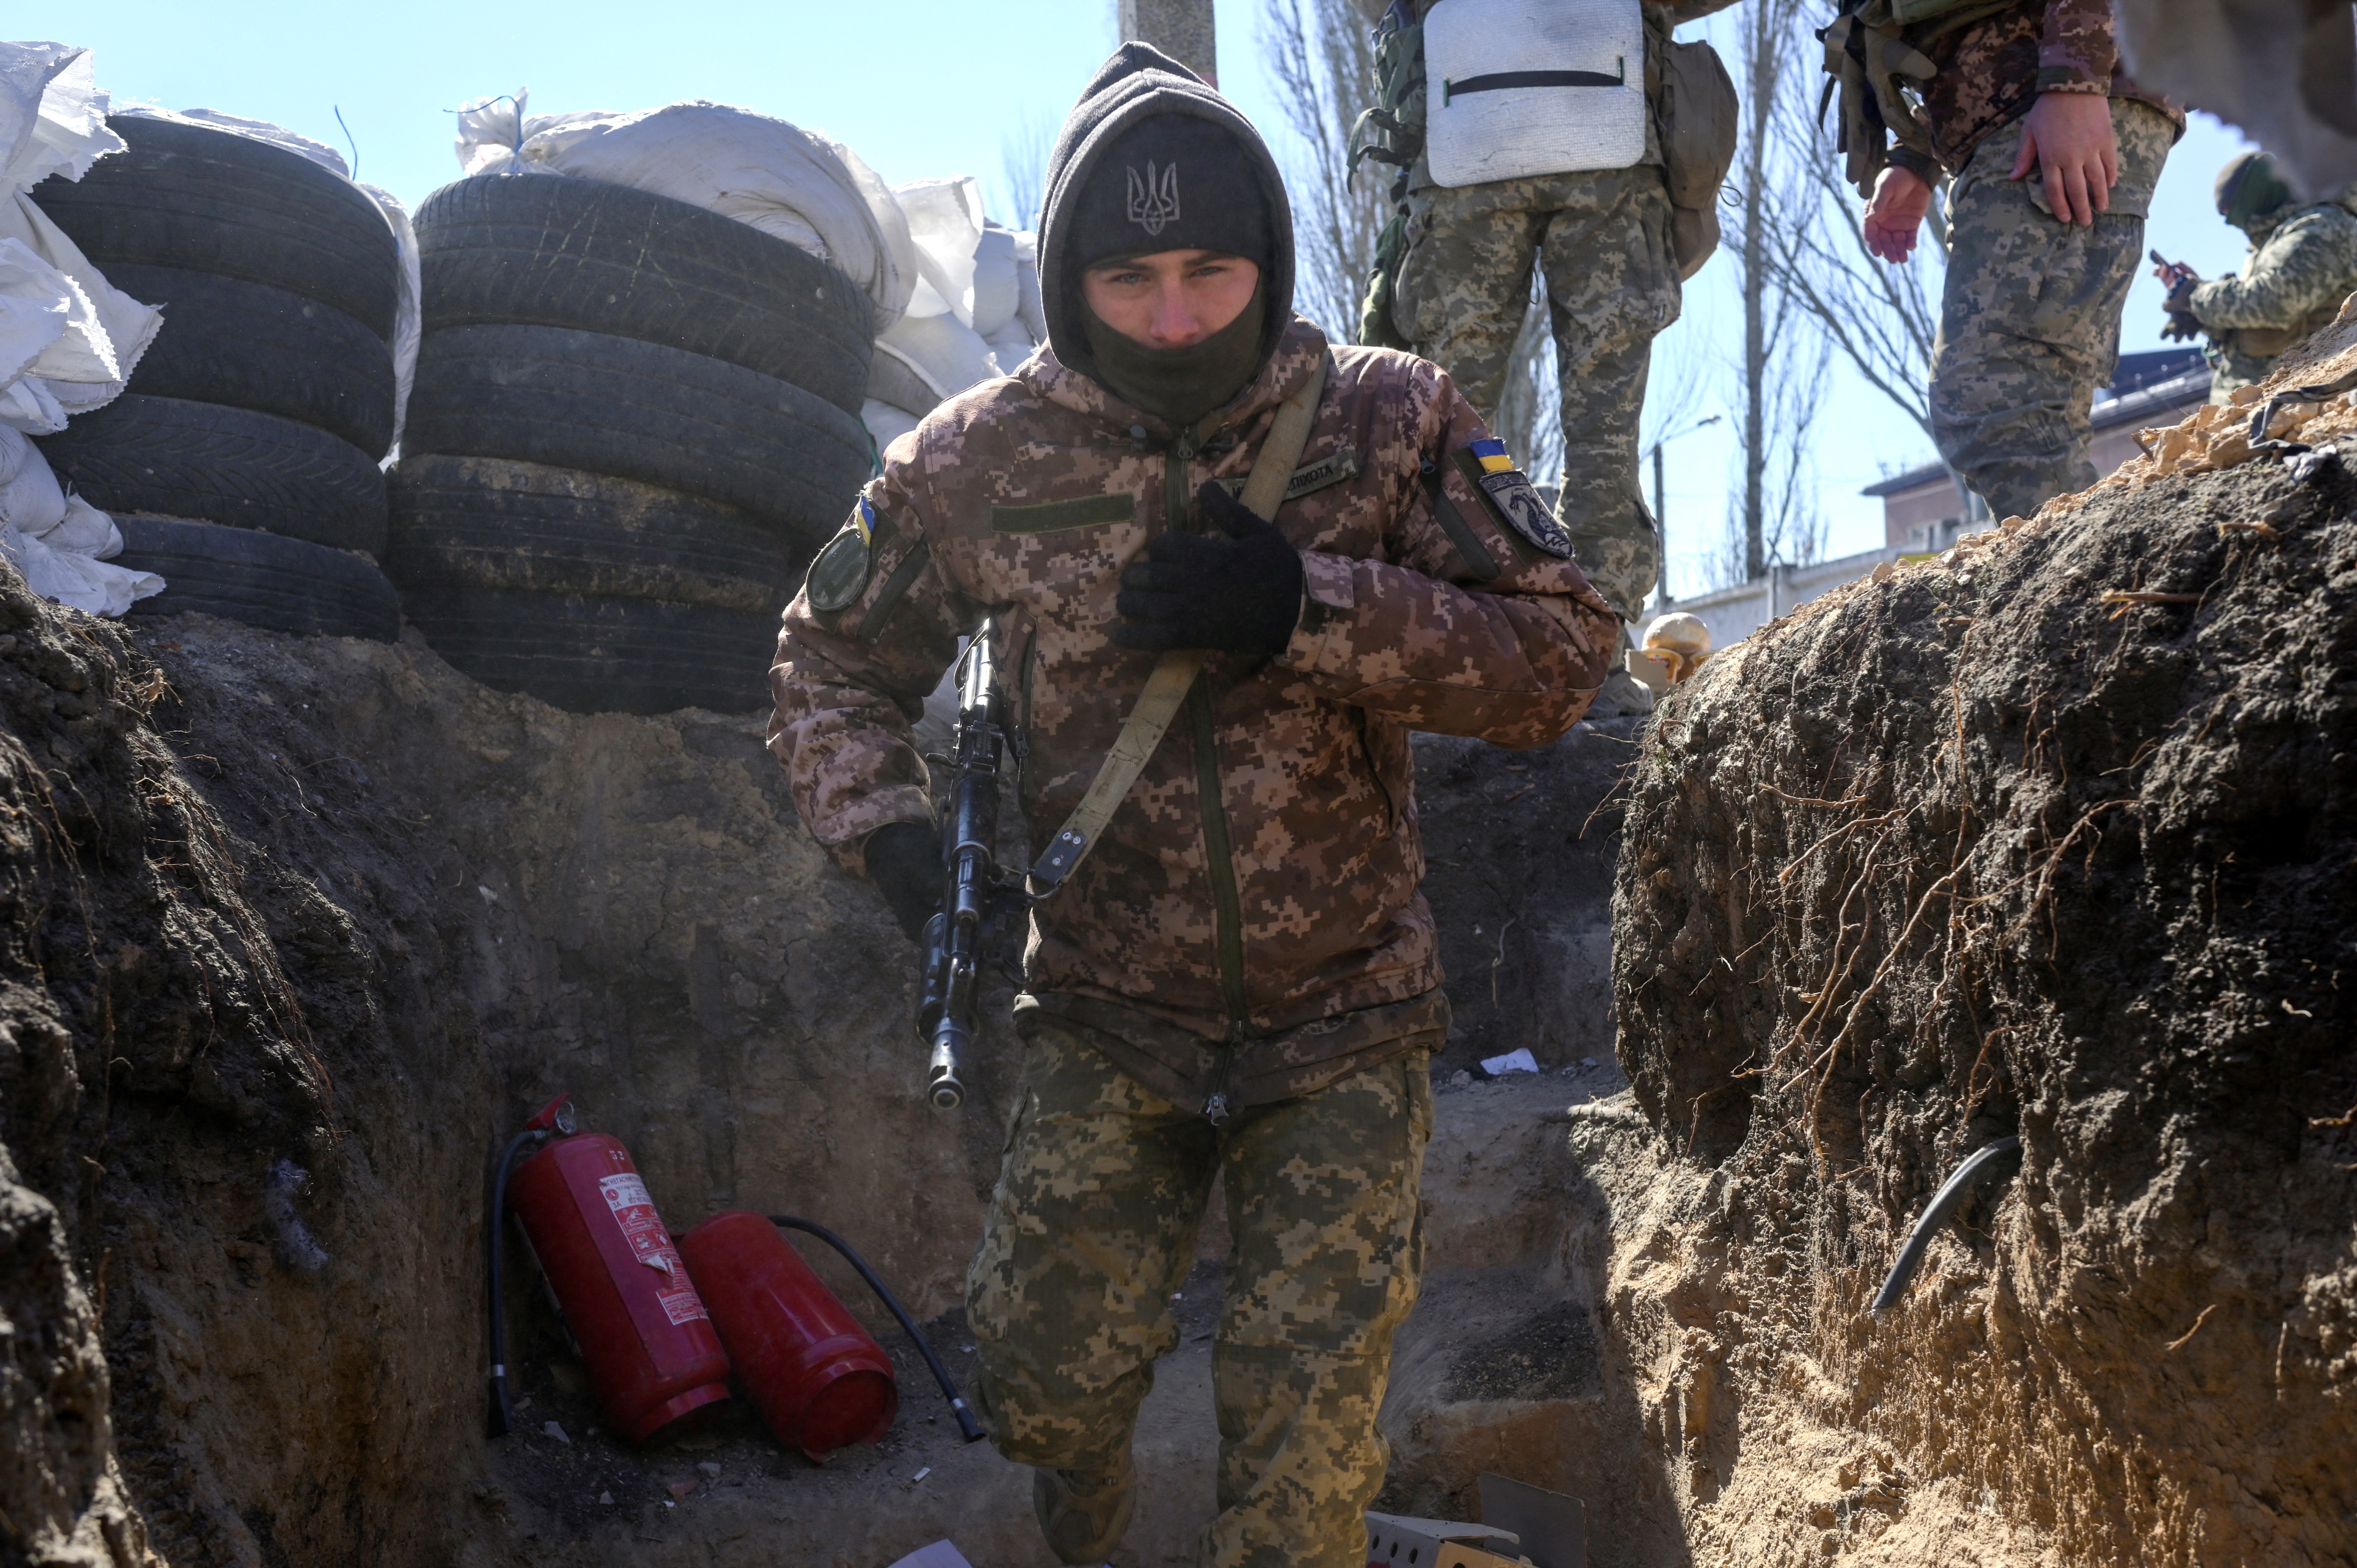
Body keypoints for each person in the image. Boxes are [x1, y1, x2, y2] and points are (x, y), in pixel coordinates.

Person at [767, 43, 1617, 1568]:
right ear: (1076, 276)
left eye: (1212, 272)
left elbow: (1564, 653)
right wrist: (897, 854)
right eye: (1132, 278)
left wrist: (1307, 603)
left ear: (1268, 259)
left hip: (1345, 1018)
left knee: (1293, 1476)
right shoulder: (976, 459)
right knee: (1040, 1390)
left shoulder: (1390, 420)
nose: (1172, 316)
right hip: (1103, 1015)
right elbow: (826, 664)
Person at [1356, 0, 1730, 631]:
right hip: (1602, 134)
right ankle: (1594, 645)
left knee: (1446, 426)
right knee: (1601, 435)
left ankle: (1454, 638)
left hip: (1468, 131)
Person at [1840, 0, 2182, 522]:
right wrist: (1918, 152)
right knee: (2012, 405)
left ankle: (2106, 593)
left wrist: (2076, 73)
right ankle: (2106, 588)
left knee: (1997, 398)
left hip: (2058, 91)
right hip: (2013, 111)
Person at [2157, 151, 2357, 402]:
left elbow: (2276, 302)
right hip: (2268, 402)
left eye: (2231, 210)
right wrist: (2205, 319)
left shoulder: (2322, 226)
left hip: (2304, 397)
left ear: (2255, 192)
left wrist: (2197, 296)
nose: (2231, 222)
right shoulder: (2277, 242)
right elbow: (2262, 330)